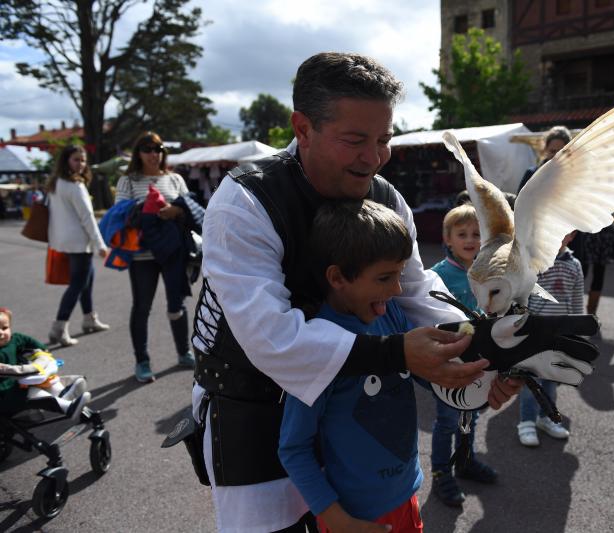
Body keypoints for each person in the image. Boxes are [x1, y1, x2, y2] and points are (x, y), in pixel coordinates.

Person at [190, 52, 522, 533]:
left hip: (356, 417)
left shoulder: (386, 197)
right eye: (355, 140)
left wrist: (479, 365)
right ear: (302, 128)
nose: (374, 157)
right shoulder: (244, 202)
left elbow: (416, 296)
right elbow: (271, 338)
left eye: (384, 139)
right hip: (252, 410)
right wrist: (397, 355)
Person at [280, 200, 423, 533]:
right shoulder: (317, 347)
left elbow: (426, 372)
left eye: (400, 274)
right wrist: (335, 519)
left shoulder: (392, 314)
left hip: (407, 497)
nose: (398, 289)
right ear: (338, 277)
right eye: (386, 277)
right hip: (354, 519)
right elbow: (293, 447)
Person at [428, 204, 497, 507]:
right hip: (449, 360)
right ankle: (442, 471)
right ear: (448, 239)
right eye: (462, 234)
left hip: (477, 360)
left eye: (477, 234)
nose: (470, 240)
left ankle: (465, 461)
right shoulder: (437, 275)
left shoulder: (483, 272)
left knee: (473, 412)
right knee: (447, 419)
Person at [115, 132, 196, 383]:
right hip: (142, 255)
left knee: (177, 304)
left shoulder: (175, 179)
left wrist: (177, 209)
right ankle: (142, 360)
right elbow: (120, 215)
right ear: (138, 153)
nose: (154, 154)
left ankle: (184, 352)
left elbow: (191, 207)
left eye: (159, 148)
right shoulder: (128, 181)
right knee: (142, 307)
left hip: (173, 252)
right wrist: (146, 209)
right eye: (148, 149)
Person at [517, 231, 581, 447]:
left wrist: (578, 333)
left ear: (571, 235)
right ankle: (526, 422)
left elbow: (576, 300)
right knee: (531, 382)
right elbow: (522, 295)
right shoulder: (534, 261)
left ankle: (545, 418)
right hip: (533, 334)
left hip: (559, 336)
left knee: (552, 381)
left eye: (564, 231)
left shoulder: (575, 265)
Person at [46, 145, 110, 346]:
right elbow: (88, 218)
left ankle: (89, 319)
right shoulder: (75, 186)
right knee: (78, 284)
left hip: (64, 240)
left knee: (86, 281)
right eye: (76, 160)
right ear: (66, 161)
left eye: (83, 160)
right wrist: (100, 244)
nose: (81, 164)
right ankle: (59, 326)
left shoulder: (55, 183)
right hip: (80, 241)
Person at [0, 307, 90, 419]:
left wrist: (43, 353)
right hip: (4, 393)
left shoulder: (15, 339)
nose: (1, 333)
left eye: (4, 328)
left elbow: (32, 343)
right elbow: (7, 370)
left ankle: (63, 393)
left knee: (47, 380)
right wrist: (28, 370)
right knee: (31, 390)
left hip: (18, 383)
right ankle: (67, 407)